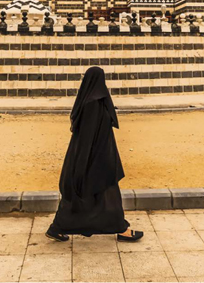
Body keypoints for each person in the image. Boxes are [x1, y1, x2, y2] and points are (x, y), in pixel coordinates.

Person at [46, 66, 143, 242]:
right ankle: (122, 230)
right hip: (97, 159)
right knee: (108, 195)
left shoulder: (89, 101)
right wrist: (83, 166)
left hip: (94, 157)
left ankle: (57, 227)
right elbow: (87, 138)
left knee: (84, 198)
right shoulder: (93, 104)